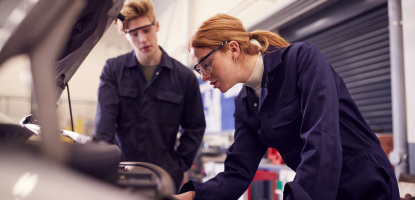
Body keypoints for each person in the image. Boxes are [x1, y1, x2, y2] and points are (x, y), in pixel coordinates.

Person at [174, 13, 399, 200]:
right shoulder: (244, 105)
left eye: (206, 64)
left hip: (366, 185)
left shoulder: (301, 60)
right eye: (199, 69)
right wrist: (189, 197)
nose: (203, 76)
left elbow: (322, 140)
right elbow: (237, 172)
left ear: (233, 49)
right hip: (320, 191)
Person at [94, 0, 206, 192]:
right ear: (124, 35)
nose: (142, 39)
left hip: (162, 179)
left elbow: (195, 128)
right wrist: (103, 167)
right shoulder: (113, 71)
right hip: (119, 176)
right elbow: (104, 128)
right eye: (134, 34)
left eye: (146, 30)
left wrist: (176, 168)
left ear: (157, 25)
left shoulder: (184, 77)